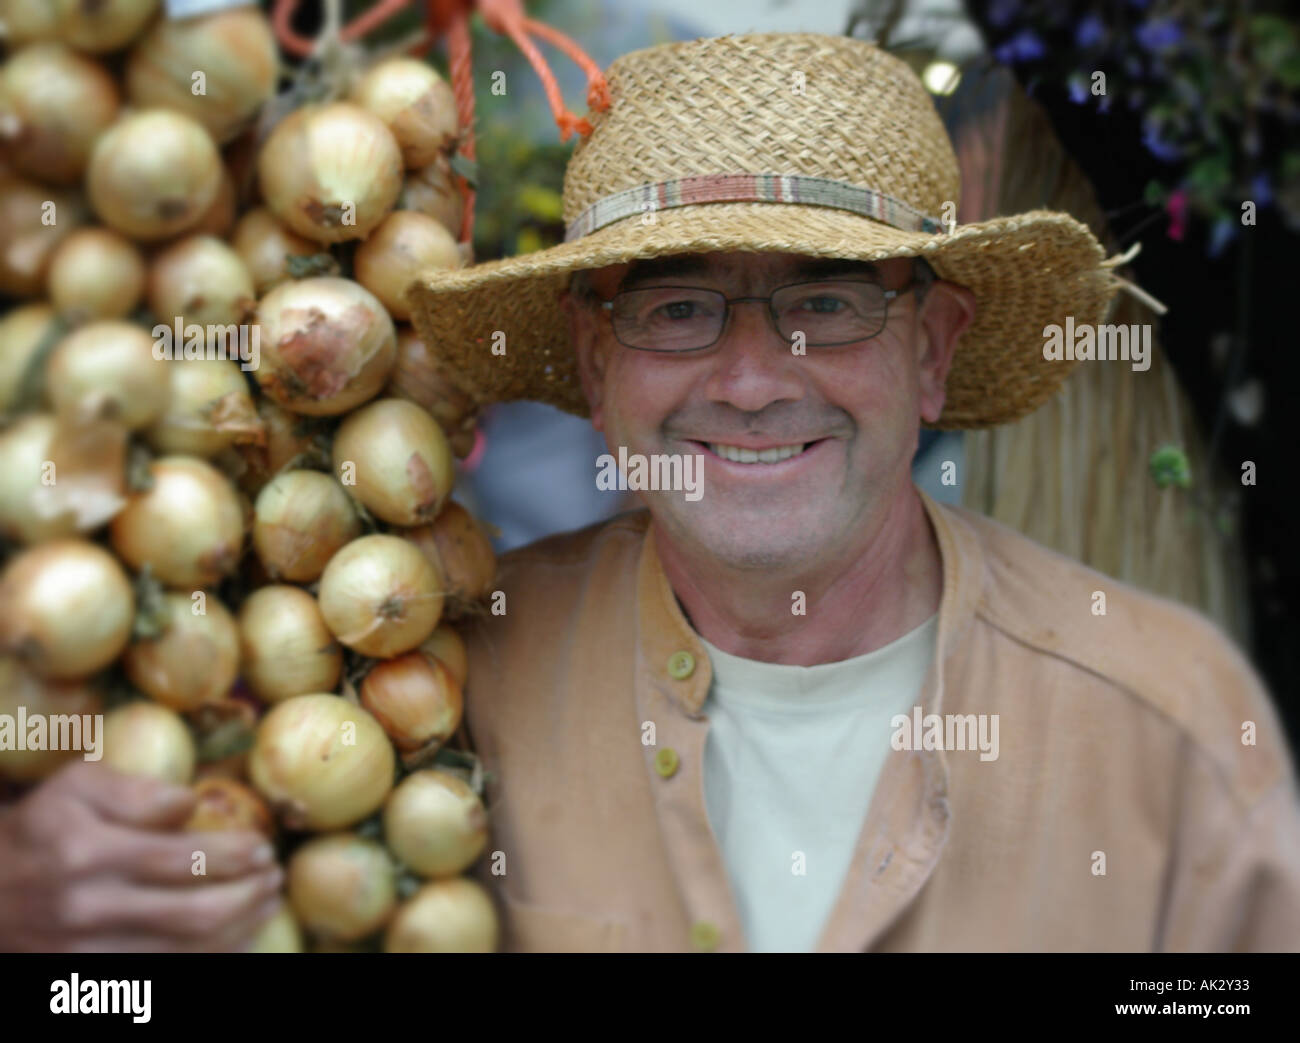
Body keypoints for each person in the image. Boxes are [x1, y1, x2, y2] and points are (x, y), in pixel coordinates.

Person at [405, 32, 1300, 951]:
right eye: (676, 309)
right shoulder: (458, 680)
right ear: (596, 364)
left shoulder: (1166, 715)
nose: (752, 384)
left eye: (826, 305)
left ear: (932, 350)